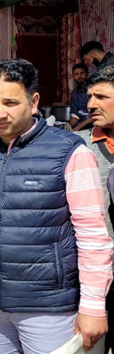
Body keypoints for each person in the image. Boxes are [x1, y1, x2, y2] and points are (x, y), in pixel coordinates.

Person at [0, 59, 112, 353]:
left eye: (10, 102)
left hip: (48, 308)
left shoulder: (69, 152)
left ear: (33, 101)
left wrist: (93, 304)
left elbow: (92, 235)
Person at [75, 64, 114, 353]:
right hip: (94, 281)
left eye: (101, 96)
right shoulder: (80, 148)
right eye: (89, 96)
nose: (90, 105)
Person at [70, 63, 92, 131]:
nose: (79, 76)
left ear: (87, 74)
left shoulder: (93, 90)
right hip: (80, 128)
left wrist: (78, 127)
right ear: (73, 76)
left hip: (93, 127)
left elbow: (95, 115)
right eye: (76, 74)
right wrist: (68, 128)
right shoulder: (74, 93)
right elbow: (75, 117)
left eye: (82, 73)